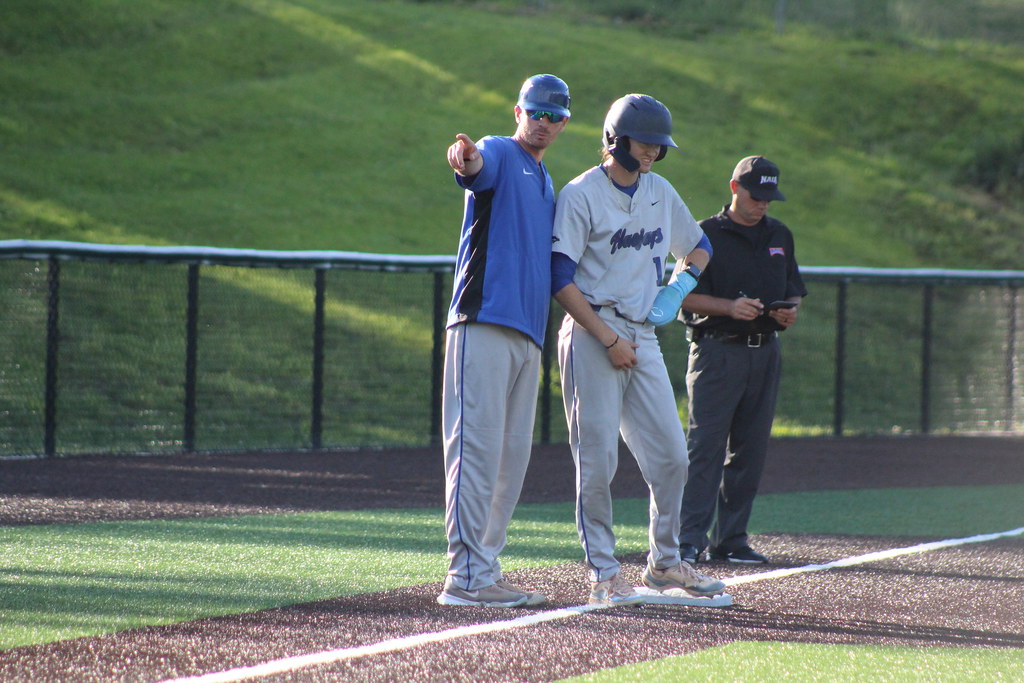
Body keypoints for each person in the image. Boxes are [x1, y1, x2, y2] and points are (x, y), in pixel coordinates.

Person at [551, 93, 726, 606]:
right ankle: (604, 571)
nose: (651, 152)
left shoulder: (659, 190)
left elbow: (699, 246)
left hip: (642, 336)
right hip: (592, 330)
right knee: (597, 460)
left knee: (672, 457)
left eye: (658, 145)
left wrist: (678, 286)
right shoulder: (581, 193)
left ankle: (664, 563)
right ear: (615, 138)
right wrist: (607, 338)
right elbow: (560, 277)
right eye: (644, 142)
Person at [437, 74, 572, 608]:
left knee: (510, 459)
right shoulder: (497, 150)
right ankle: (464, 575)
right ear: (517, 111)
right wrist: (463, 159)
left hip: (526, 335)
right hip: (482, 321)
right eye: (535, 112)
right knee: (476, 451)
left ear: (565, 123)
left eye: (553, 115)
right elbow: (473, 167)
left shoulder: (547, 180)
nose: (542, 122)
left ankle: (484, 569)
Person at [677, 155, 808, 566]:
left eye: (770, 197)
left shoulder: (779, 235)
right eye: (756, 196)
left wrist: (790, 312)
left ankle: (731, 539)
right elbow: (678, 295)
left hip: (764, 352)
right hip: (716, 351)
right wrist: (728, 307)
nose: (763, 204)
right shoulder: (703, 235)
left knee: (750, 451)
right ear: (734, 188)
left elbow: (794, 289)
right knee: (705, 449)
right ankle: (687, 540)